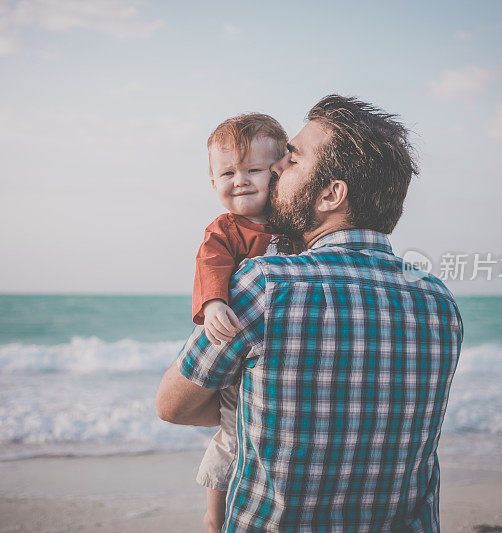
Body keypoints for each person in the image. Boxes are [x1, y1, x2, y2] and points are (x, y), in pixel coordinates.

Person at [157, 95, 463, 531]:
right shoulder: (439, 302)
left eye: (292, 160)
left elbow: (172, 405)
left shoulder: (267, 284)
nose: (276, 169)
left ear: (330, 194)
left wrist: (241, 410)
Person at [192, 113, 289, 533]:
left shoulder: (295, 223)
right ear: (213, 181)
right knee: (233, 435)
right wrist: (214, 304)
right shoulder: (225, 230)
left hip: (283, 355)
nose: (240, 180)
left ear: (279, 172)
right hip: (237, 348)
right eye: (227, 172)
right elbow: (210, 264)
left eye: (253, 170)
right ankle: (215, 516)